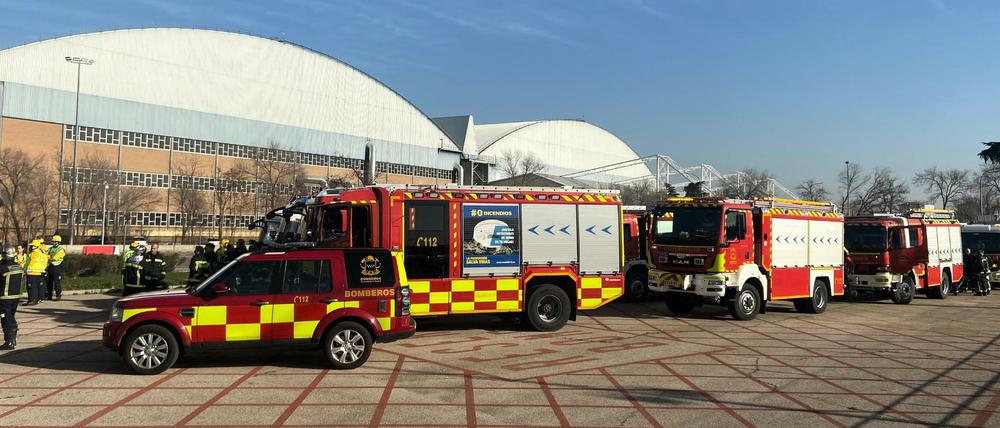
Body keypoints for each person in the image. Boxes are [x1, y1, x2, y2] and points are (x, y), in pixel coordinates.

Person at [0, 247, 24, 350]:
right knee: (11, 317)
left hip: (5, 297)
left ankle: (9, 341)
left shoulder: (3, 268)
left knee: (6, 319)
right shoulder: (18, 267)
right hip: (16, 296)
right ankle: (13, 337)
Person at [24, 240, 48, 306]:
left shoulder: (34, 253)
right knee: (37, 287)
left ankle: (32, 300)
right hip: (40, 272)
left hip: (32, 272)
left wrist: (26, 270)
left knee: (31, 287)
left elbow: (31, 263)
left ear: (36, 246)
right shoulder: (43, 253)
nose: (31, 247)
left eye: (32, 246)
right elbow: (45, 262)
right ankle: (36, 299)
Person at [46, 235, 66, 301]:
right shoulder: (51, 248)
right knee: (49, 282)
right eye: (53, 241)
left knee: (57, 282)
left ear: (58, 242)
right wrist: (49, 256)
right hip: (50, 266)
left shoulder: (61, 249)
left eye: (54, 241)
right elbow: (45, 254)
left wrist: (48, 256)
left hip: (57, 267)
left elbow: (55, 258)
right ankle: (49, 295)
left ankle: (58, 295)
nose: (53, 242)